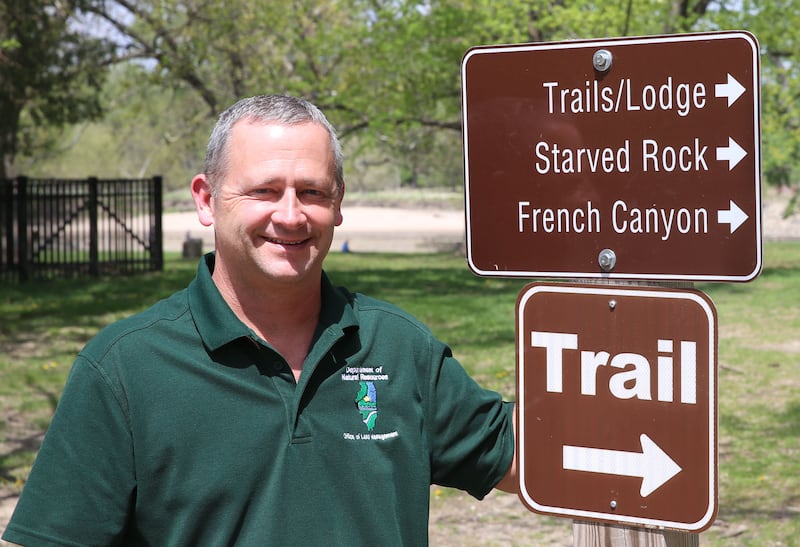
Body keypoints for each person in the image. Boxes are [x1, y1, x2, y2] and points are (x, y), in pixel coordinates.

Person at [3, 94, 516, 546]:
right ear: (206, 200)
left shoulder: (399, 347)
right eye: (264, 191)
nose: (291, 215)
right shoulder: (124, 369)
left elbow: (528, 456)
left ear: (338, 202)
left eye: (312, 192)